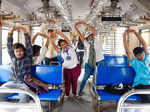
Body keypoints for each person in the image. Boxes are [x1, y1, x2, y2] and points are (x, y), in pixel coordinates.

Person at [0, 26, 32, 103]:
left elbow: (28, 45)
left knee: (24, 97)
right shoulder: (13, 58)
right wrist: (11, 31)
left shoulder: (28, 58)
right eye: (16, 51)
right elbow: (9, 45)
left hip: (23, 83)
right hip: (11, 83)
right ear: (14, 52)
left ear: (24, 51)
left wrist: (25, 32)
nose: (18, 53)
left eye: (20, 51)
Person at [75, 21, 104, 96]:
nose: (90, 37)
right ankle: (79, 91)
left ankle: (95, 92)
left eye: (91, 35)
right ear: (87, 38)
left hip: (99, 62)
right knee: (84, 78)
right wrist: (76, 28)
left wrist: (85, 24)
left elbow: (94, 31)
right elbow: (81, 36)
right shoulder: (87, 44)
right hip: (89, 63)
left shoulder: (97, 41)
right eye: (88, 37)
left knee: (96, 78)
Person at [51, 30, 81, 100]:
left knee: (74, 81)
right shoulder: (60, 51)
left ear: (66, 43)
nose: (64, 45)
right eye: (62, 45)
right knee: (67, 82)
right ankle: (67, 94)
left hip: (75, 68)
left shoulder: (71, 47)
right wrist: (51, 38)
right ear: (60, 46)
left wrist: (60, 33)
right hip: (66, 68)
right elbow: (53, 45)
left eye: (64, 44)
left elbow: (66, 38)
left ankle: (74, 93)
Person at [123, 28, 150, 102]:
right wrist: (124, 36)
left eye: (142, 54)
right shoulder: (134, 62)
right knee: (148, 98)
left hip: (148, 83)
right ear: (135, 56)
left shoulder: (147, 57)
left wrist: (135, 32)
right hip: (139, 84)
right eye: (138, 55)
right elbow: (127, 49)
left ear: (144, 53)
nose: (141, 57)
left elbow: (143, 43)